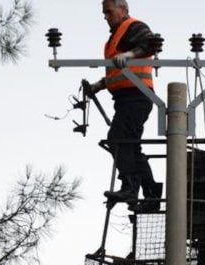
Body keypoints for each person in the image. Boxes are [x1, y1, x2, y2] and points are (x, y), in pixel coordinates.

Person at [87, 0, 162, 213]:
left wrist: (128, 55)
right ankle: (152, 195)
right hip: (126, 99)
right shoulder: (115, 37)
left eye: (109, 12)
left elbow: (149, 43)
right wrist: (99, 85)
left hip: (137, 96)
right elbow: (116, 72)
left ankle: (130, 186)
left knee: (117, 139)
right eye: (104, 13)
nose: (106, 17)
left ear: (123, 10)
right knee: (130, 146)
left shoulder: (134, 27)